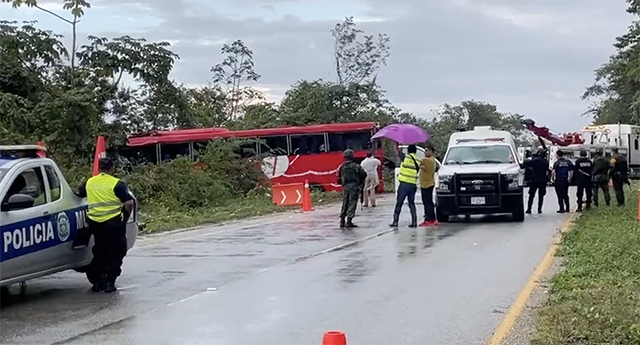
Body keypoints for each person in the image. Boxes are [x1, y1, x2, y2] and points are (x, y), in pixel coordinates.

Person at [76, 158, 134, 293]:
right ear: (112, 168)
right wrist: (125, 217)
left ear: (99, 168)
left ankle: (97, 282)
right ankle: (109, 282)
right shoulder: (116, 183)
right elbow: (129, 203)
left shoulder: (89, 182)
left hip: (95, 223)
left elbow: (79, 193)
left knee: (99, 251)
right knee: (116, 251)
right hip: (113, 223)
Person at [390, 144, 419, 228]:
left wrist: (396, 143)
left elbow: (396, 151)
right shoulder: (417, 160)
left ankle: (395, 222)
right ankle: (414, 222)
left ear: (408, 151)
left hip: (404, 184)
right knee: (411, 204)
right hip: (413, 184)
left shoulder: (406, 157)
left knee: (399, 203)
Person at [337, 149, 367, 228]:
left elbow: (338, 178)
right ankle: (349, 221)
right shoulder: (356, 166)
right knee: (352, 203)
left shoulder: (341, 166)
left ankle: (342, 220)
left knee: (345, 203)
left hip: (345, 186)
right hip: (353, 186)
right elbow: (364, 174)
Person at [419, 143, 438, 226]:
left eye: (426, 151)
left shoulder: (427, 160)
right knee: (428, 202)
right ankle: (430, 218)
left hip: (426, 184)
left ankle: (430, 219)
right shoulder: (432, 160)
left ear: (431, 151)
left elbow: (420, 162)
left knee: (427, 202)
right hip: (428, 183)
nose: (425, 152)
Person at [525, 149, 550, 214]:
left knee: (531, 195)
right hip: (542, 180)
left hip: (534, 180)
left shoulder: (535, 160)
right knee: (541, 196)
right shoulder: (546, 162)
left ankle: (529, 208)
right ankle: (539, 209)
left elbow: (526, 164)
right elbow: (548, 171)